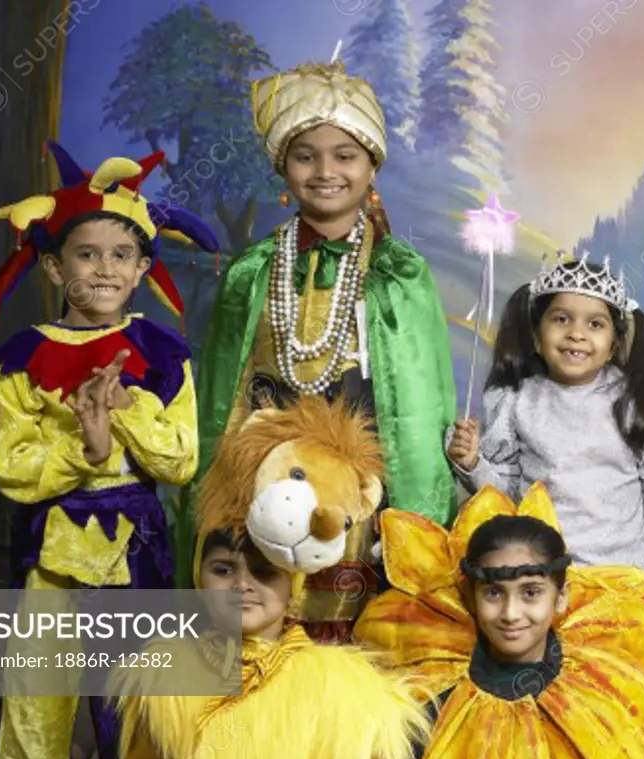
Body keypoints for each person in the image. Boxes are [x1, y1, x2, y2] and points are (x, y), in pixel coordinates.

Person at [184, 56, 457, 641]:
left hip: (357, 489)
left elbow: (418, 409)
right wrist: (220, 497)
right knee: (261, 633)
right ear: (284, 167)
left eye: (345, 156)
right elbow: (221, 399)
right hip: (261, 481)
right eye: (306, 156)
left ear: (371, 166)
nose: (325, 171)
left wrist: (417, 523)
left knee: (344, 642)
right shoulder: (254, 271)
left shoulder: (399, 272)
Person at [0, 141, 219, 759]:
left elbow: (181, 461)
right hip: (52, 554)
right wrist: (84, 451)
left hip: (134, 549)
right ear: (55, 269)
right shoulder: (21, 360)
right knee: (39, 704)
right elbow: (11, 467)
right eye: (87, 255)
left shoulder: (163, 356)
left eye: (122, 256)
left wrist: (125, 411)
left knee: (132, 706)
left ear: (143, 268)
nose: (105, 270)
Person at [445, 254, 644, 725]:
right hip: (552, 584)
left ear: (615, 339)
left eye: (595, 324)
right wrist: (474, 462)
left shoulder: (631, 401)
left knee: (617, 706)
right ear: (538, 333)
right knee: (558, 707)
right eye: (562, 319)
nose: (577, 333)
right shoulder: (518, 401)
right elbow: (508, 496)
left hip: (624, 581)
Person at [354, 482, 644, 759]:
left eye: (531, 593)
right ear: (471, 598)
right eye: (494, 593)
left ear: (561, 597)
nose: (511, 612)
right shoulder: (431, 697)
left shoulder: (600, 685)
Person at [112, 528, 430, 759]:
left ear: (293, 590)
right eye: (223, 570)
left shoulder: (346, 689)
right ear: (199, 581)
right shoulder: (162, 682)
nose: (242, 585)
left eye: (264, 572)